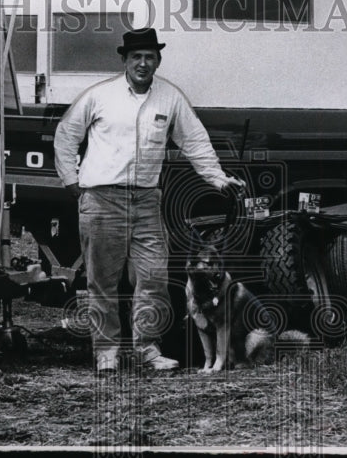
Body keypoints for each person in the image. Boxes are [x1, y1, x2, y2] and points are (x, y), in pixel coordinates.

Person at [54, 27, 244, 372]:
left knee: (153, 277)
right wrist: (72, 181)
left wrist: (217, 178)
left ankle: (147, 349)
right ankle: (106, 352)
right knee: (102, 281)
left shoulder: (170, 98)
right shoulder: (100, 96)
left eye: (150, 57)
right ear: (125, 60)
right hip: (102, 199)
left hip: (146, 203)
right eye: (136, 57)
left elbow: (195, 141)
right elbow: (66, 136)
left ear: (158, 61)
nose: (143, 63)